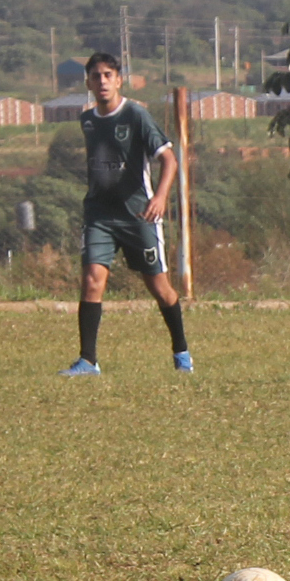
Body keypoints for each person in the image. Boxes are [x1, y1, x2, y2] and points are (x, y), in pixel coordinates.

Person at [60, 52, 192, 375]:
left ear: (119, 80)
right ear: (88, 83)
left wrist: (160, 197)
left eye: (108, 75)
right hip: (99, 215)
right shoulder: (88, 121)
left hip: (138, 215)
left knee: (160, 288)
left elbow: (169, 159)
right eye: (96, 76)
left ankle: (182, 353)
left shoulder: (136, 115)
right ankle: (88, 361)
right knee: (92, 280)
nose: (102, 81)